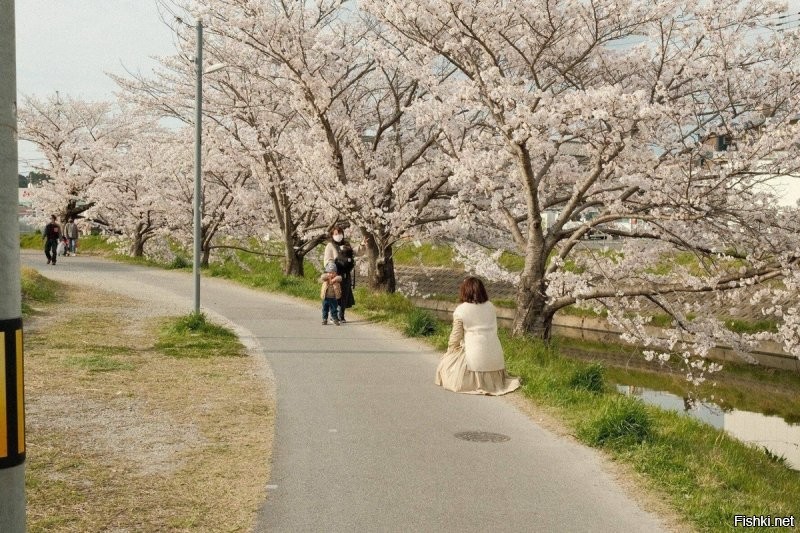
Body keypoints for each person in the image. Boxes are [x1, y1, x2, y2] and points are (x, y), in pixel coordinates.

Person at [435, 277, 521, 395]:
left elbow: (455, 337)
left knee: (446, 365)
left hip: (475, 356)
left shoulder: (461, 310)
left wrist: (450, 351)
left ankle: (475, 383)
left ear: (465, 291)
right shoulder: (490, 306)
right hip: (495, 355)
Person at [323, 226, 356, 323]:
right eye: (336, 234)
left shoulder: (347, 244)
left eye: (340, 233)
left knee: (344, 294)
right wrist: (331, 270)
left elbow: (354, 252)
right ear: (332, 235)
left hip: (346, 273)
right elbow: (327, 259)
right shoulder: (330, 245)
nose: (338, 236)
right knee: (335, 294)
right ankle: (333, 315)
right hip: (335, 273)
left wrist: (362, 245)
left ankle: (341, 314)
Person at [319, 261, 342, 326]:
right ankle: (324, 319)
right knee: (325, 309)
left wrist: (334, 279)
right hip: (325, 298)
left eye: (333, 273)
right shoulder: (326, 278)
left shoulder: (337, 279)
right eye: (329, 273)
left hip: (333, 298)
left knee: (334, 310)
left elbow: (340, 278)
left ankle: (335, 319)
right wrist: (328, 276)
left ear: (335, 273)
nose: (331, 274)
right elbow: (322, 277)